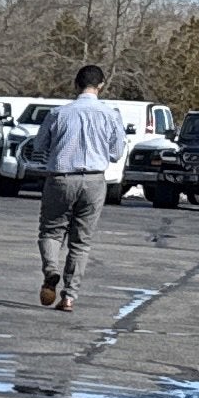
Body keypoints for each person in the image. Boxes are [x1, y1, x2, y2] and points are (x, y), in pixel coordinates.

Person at [38, 64, 130, 308]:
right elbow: (116, 153)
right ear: (101, 86)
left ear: (75, 84)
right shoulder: (111, 115)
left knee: (51, 231)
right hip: (94, 180)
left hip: (61, 177)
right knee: (81, 241)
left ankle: (50, 271)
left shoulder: (58, 113)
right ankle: (69, 296)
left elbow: (38, 146)